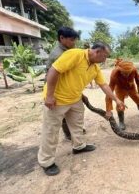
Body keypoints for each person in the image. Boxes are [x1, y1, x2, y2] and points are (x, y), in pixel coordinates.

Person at [38, 42, 125, 176]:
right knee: (51, 131)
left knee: (77, 125)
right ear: (97, 52)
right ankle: (46, 162)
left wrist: (117, 100)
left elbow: (103, 85)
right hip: (57, 100)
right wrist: (49, 96)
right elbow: (53, 70)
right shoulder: (75, 55)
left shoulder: (95, 67)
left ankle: (79, 146)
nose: (105, 60)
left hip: (75, 99)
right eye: (105, 56)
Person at [45, 26, 81, 140]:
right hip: (57, 88)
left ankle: (72, 133)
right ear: (62, 38)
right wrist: (50, 96)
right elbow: (52, 75)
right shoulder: (58, 54)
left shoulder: (67, 50)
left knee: (70, 111)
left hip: (66, 86)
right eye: (71, 40)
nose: (74, 42)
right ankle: (68, 134)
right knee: (61, 113)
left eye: (75, 39)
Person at [105, 59, 139, 130]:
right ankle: (121, 121)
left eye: (128, 73)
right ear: (119, 69)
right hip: (120, 89)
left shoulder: (134, 69)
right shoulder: (114, 73)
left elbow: (138, 79)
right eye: (124, 73)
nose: (126, 75)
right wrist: (108, 108)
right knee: (120, 104)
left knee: (138, 99)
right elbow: (110, 90)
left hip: (131, 87)